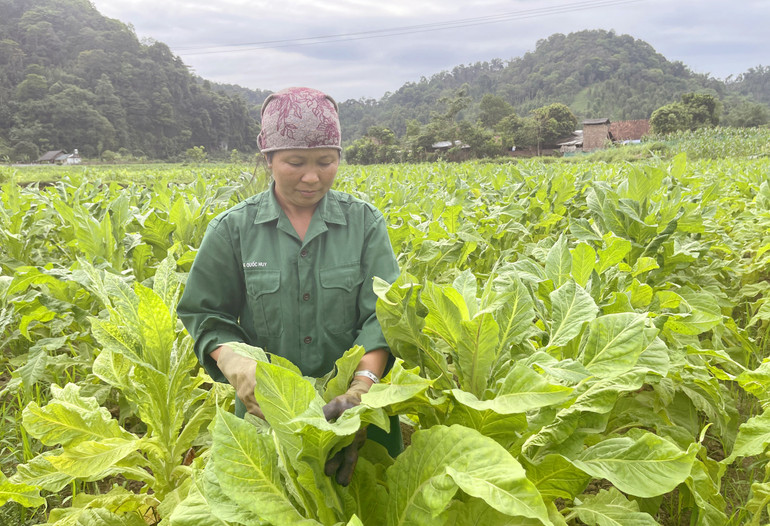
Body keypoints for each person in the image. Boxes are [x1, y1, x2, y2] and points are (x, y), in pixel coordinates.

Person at [176, 86, 402, 486]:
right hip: (269, 416)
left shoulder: (365, 224)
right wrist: (238, 366)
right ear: (268, 158)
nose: (312, 177)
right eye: (295, 162)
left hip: (359, 416)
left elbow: (383, 316)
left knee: (373, 500)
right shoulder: (233, 229)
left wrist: (361, 388)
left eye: (326, 162)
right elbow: (206, 314)